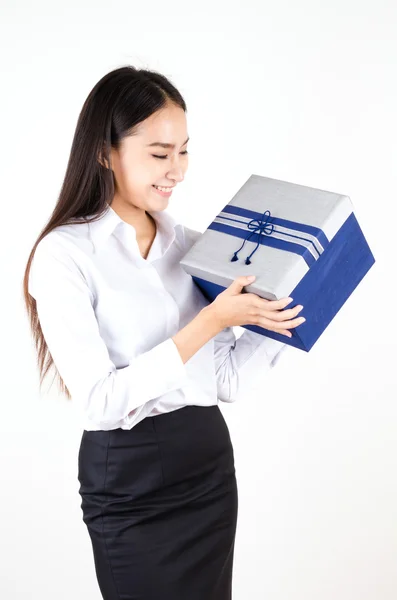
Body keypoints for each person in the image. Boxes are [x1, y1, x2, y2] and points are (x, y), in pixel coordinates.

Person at [22, 66, 305, 600]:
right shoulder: (64, 255)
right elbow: (101, 403)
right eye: (159, 153)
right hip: (128, 479)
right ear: (105, 152)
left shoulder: (197, 247)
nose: (176, 170)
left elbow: (224, 381)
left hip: (205, 462)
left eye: (184, 151)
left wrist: (281, 313)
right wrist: (210, 321)